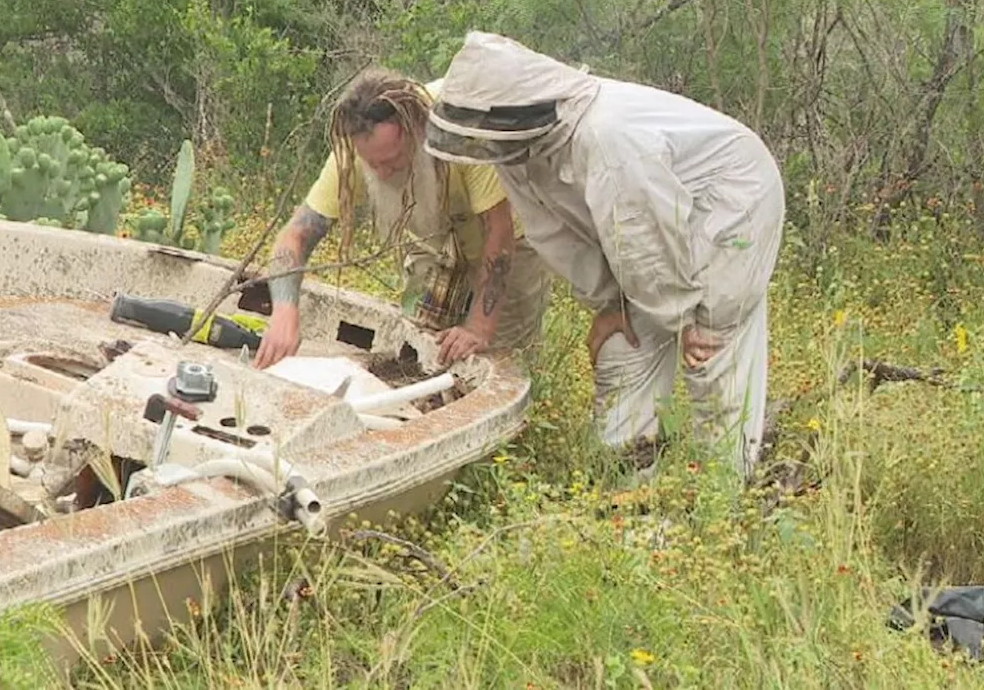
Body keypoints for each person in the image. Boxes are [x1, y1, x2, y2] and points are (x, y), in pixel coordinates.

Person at [422, 31, 786, 482]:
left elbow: (643, 238)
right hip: (659, 236)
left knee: (711, 355)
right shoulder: (517, 150)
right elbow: (555, 235)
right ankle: (628, 504)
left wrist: (685, 321)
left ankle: (726, 506)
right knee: (623, 351)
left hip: (732, 207)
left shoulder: (608, 137)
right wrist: (611, 308)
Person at [252, 67, 551, 370]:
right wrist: (285, 309)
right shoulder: (356, 148)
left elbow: (498, 231)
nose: (381, 174)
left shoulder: (465, 129)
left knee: (494, 362)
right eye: (372, 164)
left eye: (392, 162)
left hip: (509, 240)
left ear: (418, 131)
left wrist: (478, 328)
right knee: (418, 358)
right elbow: (296, 234)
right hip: (434, 236)